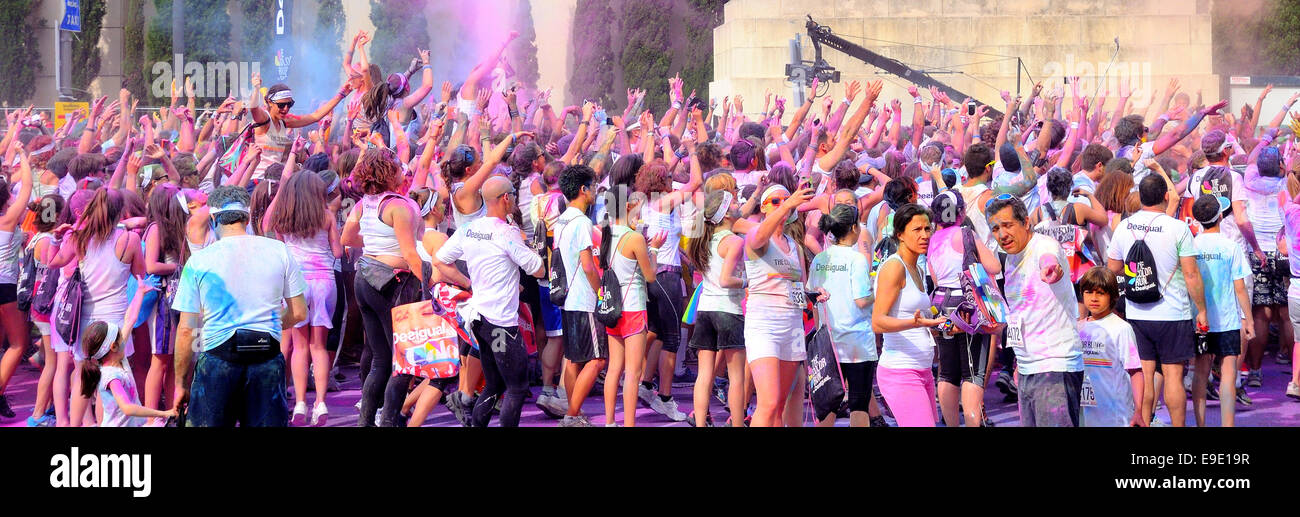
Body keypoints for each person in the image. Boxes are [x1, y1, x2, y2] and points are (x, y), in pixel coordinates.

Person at [172, 185, 308, 426]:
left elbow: (186, 329)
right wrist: (269, 324)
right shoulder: (279, 251)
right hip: (266, 354)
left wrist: (180, 384)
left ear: (213, 219)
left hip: (217, 357)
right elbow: (298, 312)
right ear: (246, 217)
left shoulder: (199, 260)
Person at [436, 174, 545, 427]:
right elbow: (536, 269)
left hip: (480, 318)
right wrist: (531, 248)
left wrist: (468, 282)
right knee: (517, 387)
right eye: (514, 197)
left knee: (494, 384)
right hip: (500, 323)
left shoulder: (469, 228)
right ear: (506, 198)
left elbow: (440, 260)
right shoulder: (507, 233)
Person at [1106, 174, 1208, 427]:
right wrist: (1202, 310)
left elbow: (1113, 266)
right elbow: (1191, 274)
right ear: (1165, 196)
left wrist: (1136, 272)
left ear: (1140, 197)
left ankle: (1145, 421)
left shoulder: (1125, 226)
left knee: (1146, 375)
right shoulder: (1178, 228)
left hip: (1138, 312)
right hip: (1173, 313)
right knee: (1173, 376)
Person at [341, 149, 427, 427]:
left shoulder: (364, 203)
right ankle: (389, 421)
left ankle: (365, 422)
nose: (404, 171)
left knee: (380, 358)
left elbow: (347, 238)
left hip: (365, 278)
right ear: (388, 174)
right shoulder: (398, 207)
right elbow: (411, 254)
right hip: (391, 284)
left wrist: (374, 246)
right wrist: (431, 288)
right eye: (399, 167)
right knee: (402, 361)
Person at [988, 195, 1084, 427]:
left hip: (1054, 364)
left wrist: (1051, 267)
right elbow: (1023, 313)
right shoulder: (1010, 258)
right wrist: (1020, 362)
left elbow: (1049, 260)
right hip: (1029, 366)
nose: (1002, 234)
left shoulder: (1044, 245)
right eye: (995, 228)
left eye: (1008, 225)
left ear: (1026, 223)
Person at [265, 170, 343, 426]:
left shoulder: (283, 218)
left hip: (295, 284)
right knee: (318, 346)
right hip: (324, 282)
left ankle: (299, 402)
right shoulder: (326, 216)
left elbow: (279, 248)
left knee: (298, 346)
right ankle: (320, 404)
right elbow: (338, 252)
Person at [927, 189, 1002, 427]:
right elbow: (994, 265)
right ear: (961, 212)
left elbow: (936, 278)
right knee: (972, 372)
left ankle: (950, 424)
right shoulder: (966, 233)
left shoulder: (932, 240)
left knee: (947, 371)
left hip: (941, 305)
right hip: (968, 307)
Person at [871, 203, 943, 427]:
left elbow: (917, 319)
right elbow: (878, 322)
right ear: (900, 234)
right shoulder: (895, 267)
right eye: (917, 230)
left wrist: (937, 326)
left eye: (927, 229)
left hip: (922, 370)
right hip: (900, 371)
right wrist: (914, 323)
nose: (924, 235)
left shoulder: (918, 269)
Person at [808, 203, 876, 427]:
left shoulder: (820, 259)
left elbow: (812, 294)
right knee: (859, 404)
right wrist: (878, 290)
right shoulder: (856, 259)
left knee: (827, 404)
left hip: (828, 342)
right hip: (857, 342)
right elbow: (861, 300)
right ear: (854, 228)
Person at [1189, 194, 1253, 426]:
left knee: (1200, 372)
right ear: (1220, 216)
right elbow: (1240, 288)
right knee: (1228, 374)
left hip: (1200, 320)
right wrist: (1248, 319)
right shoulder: (1230, 246)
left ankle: (1200, 424)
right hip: (1227, 320)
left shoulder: (1191, 245)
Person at [79, 280, 175, 427]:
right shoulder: (111, 376)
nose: (124, 337)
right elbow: (128, 409)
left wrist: (140, 292)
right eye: (119, 336)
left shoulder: (118, 358)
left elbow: (129, 320)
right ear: (113, 346)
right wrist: (163, 413)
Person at [598, 189, 657, 427]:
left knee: (614, 368)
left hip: (612, 306)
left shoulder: (605, 233)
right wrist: (655, 250)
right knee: (632, 373)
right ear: (628, 207)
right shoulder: (635, 238)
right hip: (632, 306)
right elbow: (651, 275)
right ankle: (629, 424)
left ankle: (611, 421)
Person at [554, 164, 607, 427]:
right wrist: (602, 293)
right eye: (593, 186)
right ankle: (572, 415)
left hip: (568, 299)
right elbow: (588, 265)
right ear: (584, 190)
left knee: (575, 359)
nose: (595, 191)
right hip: (584, 299)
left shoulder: (562, 219)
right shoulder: (583, 222)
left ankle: (574, 411)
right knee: (597, 360)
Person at [247, 73, 352, 181]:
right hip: (258, 181)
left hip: (276, 180)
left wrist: (341, 94)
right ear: (270, 103)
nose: (286, 109)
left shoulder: (284, 122)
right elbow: (254, 109)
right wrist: (256, 89)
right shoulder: (265, 120)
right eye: (281, 105)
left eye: (289, 104)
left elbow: (315, 116)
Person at [1076, 267, 1143, 427]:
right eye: (1089, 292)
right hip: (1085, 415)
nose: (1094, 298)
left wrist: (1138, 410)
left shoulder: (1121, 329)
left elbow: (1135, 372)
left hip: (1115, 416)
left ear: (1113, 296)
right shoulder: (1076, 328)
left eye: (1100, 293)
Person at [0, 143, 33, 419]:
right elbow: (27, 189)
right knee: (18, 344)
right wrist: (23, 156)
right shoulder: (8, 219)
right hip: (4, 287)